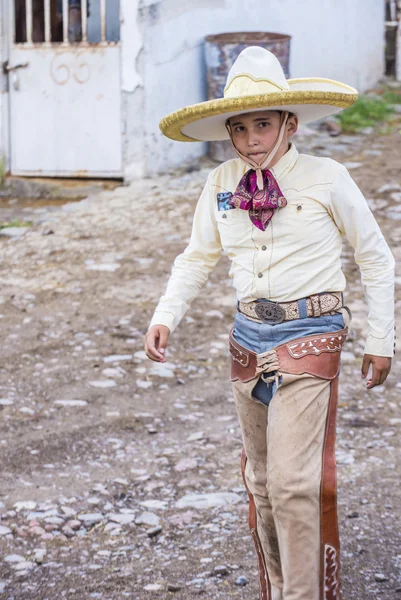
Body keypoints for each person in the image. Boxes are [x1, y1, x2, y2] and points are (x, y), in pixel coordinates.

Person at [144, 47, 394, 600]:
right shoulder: (220, 185)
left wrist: (382, 338)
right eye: (240, 127)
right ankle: (277, 589)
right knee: (259, 481)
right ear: (229, 133)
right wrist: (166, 315)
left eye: (263, 123)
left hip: (311, 332)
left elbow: (375, 255)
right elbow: (197, 256)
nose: (252, 138)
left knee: (292, 483)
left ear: (289, 123)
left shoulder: (327, 177)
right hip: (246, 337)